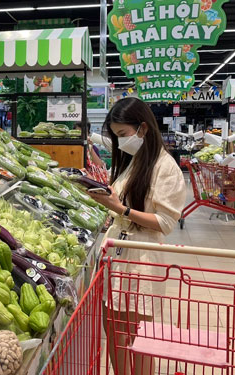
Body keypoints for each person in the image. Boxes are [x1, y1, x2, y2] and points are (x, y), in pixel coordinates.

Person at [86, 98, 186, 375]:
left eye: (122, 135)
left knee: (137, 339)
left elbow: (164, 222)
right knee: (115, 333)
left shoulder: (165, 168)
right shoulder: (135, 161)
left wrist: (122, 209)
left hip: (141, 259)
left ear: (143, 128)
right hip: (118, 254)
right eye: (115, 136)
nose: (119, 144)